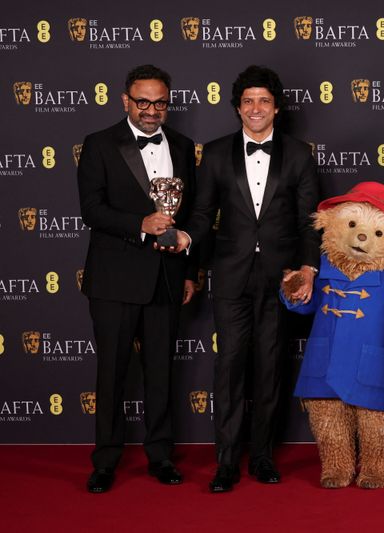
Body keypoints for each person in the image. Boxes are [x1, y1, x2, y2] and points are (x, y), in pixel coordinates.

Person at [174, 65, 320, 493]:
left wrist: (308, 268)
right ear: (238, 107)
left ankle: (262, 457)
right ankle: (226, 462)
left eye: (264, 101)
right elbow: (203, 214)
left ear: (277, 107)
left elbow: (309, 221)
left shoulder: (299, 154)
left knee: (271, 368)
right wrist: (187, 247)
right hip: (230, 275)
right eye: (248, 101)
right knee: (230, 368)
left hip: (281, 277)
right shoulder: (216, 153)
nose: (256, 108)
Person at [77, 64, 197, 493]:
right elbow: (91, 209)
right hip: (115, 279)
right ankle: (105, 460)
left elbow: (191, 214)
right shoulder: (99, 144)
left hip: (167, 276)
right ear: (125, 100)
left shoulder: (182, 146)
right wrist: (139, 224)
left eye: (159, 103)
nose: (151, 110)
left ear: (168, 103)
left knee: (160, 372)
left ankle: (160, 455)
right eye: (142, 101)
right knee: (111, 373)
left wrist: (189, 272)